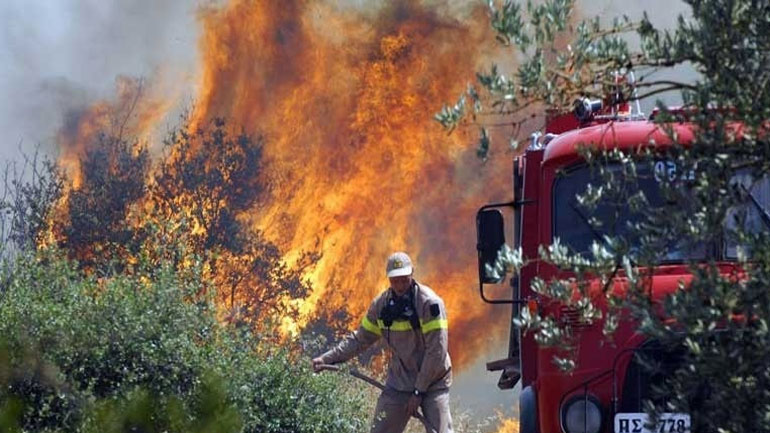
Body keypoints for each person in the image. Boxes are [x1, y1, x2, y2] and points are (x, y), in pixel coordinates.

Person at [312, 251, 454, 433]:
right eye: (395, 281)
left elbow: (437, 352)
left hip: (433, 381)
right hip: (400, 383)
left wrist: (419, 391)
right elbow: (359, 339)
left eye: (404, 279)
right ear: (388, 279)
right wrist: (326, 359)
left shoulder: (429, 304)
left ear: (412, 274)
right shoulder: (380, 306)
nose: (400, 285)